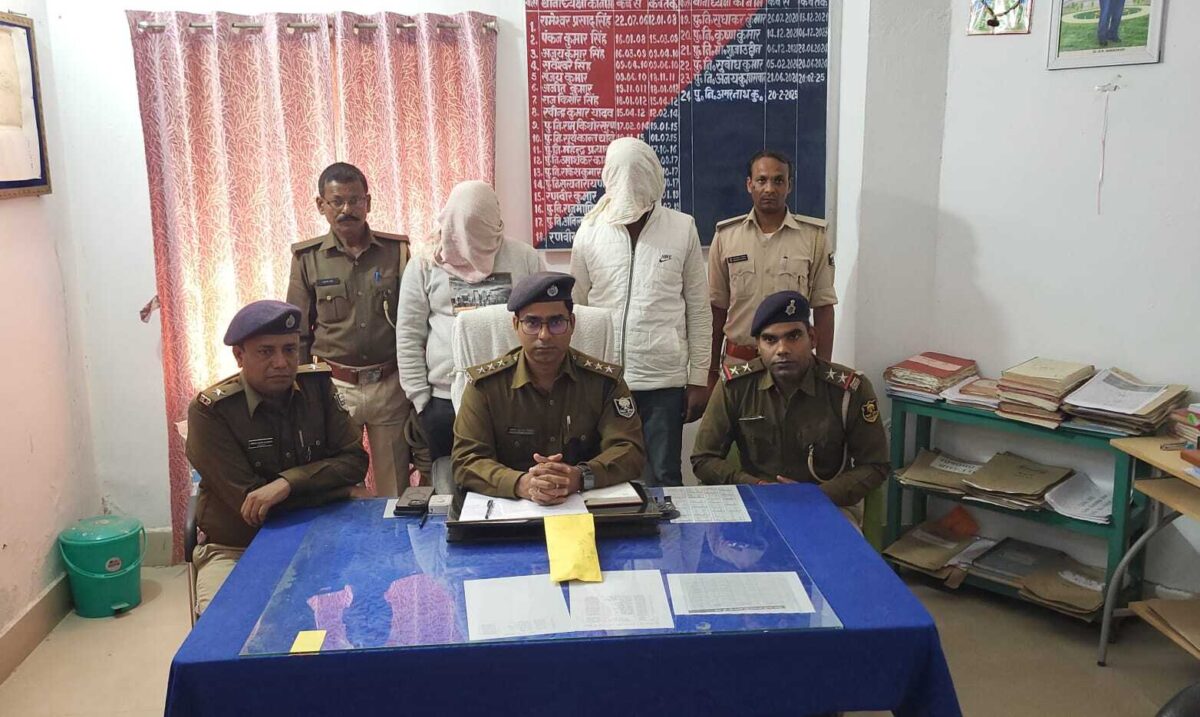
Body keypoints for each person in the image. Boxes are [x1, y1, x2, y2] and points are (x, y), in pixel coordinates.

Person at [186, 300, 369, 614]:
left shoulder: (317, 388)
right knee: (225, 630)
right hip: (237, 547)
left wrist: (286, 484)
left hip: (317, 535)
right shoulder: (211, 411)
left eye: (289, 349)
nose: (282, 362)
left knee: (371, 597)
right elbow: (253, 507)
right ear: (239, 355)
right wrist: (340, 491)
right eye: (266, 352)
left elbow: (354, 462)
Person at [570, 138, 710, 488]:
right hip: (603, 381)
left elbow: (698, 308)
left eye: (638, 174)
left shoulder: (682, 228)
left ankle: (670, 528)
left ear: (654, 176)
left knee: (664, 477)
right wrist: (575, 374)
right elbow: (575, 308)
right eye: (622, 175)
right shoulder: (589, 230)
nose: (630, 184)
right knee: (603, 477)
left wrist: (698, 378)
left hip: (663, 382)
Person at [691, 291, 888, 525]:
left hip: (828, 504)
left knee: (834, 547)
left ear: (812, 338)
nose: (782, 349)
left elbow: (875, 465)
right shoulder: (735, 387)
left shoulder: (848, 390)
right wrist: (755, 486)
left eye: (793, 336)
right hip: (757, 504)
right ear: (758, 346)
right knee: (735, 549)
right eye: (770, 339)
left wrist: (815, 495)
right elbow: (703, 459)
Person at [396, 180, 542, 493]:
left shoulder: (524, 258)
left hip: (512, 395)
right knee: (451, 486)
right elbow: (408, 335)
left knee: (509, 482)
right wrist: (421, 400)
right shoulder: (424, 264)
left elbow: (542, 319)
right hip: (444, 400)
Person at [452, 272, 646, 502]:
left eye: (556, 322)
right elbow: (466, 460)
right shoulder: (485, 387)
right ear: (515, 325)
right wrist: (520, 483)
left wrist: (580, 476)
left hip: (585, 503)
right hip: (510, 509)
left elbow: (629, 450)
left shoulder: (605, 383)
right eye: (532, 323)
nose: (544, 335)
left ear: (572, 324)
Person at [287, 162, 411, 497]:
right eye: (337, 201)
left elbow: (413, 323)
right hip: (334, 387)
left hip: (389, 385)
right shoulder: (307, 259)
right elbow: (298, 335)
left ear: (368, 202)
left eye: (355, 200)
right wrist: (304, 392)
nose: (347, 209)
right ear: (321, 205)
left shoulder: (396, 253)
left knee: (394, 491)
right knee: (338, 488)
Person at [708, 151, 837, 388]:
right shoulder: (726, 238)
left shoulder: (813, 238)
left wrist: (823, 371)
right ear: (749, 184)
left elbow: (823, 308)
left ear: (789, 186)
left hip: (793, 366)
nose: (769, 188)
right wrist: (710, 371)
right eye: (762, 180)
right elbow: (716, 310)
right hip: (739, 365)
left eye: (778, 180)